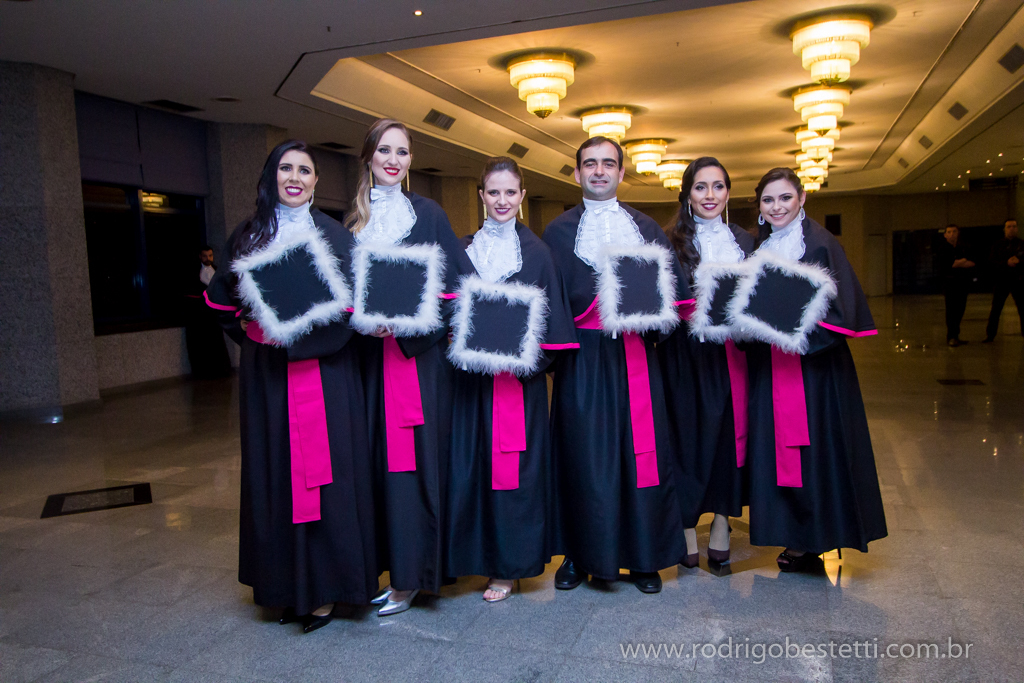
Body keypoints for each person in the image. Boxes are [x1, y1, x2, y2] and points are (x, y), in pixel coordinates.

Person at [205, 140, 379, 633]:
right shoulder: (249, 234)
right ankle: (287, 586)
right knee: (276, 475)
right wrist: (253, 332)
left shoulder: (336, 236)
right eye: (286, 168)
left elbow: (358, 308)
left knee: (330, 478)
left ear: (317, 181)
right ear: (271, 175)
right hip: (269, 379)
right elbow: (221, 301)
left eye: (305, 169)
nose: (295, 177)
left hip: (327, 376)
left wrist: (312, 336)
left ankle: (326, 588)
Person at [542, 137, 689, 594]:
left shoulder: (646, 228)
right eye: (590, 164)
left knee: (640, 458)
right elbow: (548, 302)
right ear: (576, 173)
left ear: (623, 173)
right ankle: (579, 555)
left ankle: (644, 558)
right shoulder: (557, 232)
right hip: (582, 359)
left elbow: (674, 297)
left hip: (633, 356)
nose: (600, 171)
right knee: (582, 458)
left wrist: (651, 323)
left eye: (608, 164)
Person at [347, 119, 475, 616]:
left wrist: (411, 323)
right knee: (379, 467)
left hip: (421, 365)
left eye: (402, 151)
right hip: (370, 365)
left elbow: (459, 288)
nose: (393, 160)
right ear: (369, 156)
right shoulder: (351, 220)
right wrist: (364, 322)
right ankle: (392, 570)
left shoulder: (431, 214)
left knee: (418, 467)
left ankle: (414, 575)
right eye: (385, 150)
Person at [444, 157, 578, 602]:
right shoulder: (462, 251)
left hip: (517, 390)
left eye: (510, 192)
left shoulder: (539, 254)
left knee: (515, 474)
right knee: (470, 470)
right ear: (481, 195)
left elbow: (553, 329)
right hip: (470, 385)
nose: (502, 200)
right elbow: (448, 312)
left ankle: (508, 566)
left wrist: (518, 360)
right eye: (493, 192)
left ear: (522, 197)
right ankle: (474, 557)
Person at [745, 167, 887, 573]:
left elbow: (844, 315)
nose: (777, 207)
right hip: (772, 368)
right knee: (778, 453)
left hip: (816, 375)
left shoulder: (822, 244)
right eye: (769, 200)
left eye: (785, 198)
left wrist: (794, 332)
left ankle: (818, 534)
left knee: (817, 453)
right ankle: (794, 534)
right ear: (760, 207)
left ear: (802, 198)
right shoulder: (758, 249)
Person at [659, 157, 753, 569]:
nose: (709, 195)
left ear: (728, 193)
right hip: (683, 353)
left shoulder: (746, 243)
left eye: (717, 187)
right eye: (701, 187)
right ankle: (683, 524)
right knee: (685, 438)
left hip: (730, 353)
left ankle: (720, 520)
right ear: (688, 194)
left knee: (725, 439)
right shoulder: (668, 242)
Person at [185, 245, 231, 379]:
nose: (208, 259)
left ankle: (220, 370)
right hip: (200, 316)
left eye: (210, 256)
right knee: (201, 344)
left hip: (214, 315)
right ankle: (203, 372)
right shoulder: (194, 272)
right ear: (200, 256)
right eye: (205, 256)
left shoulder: (217, 271)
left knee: (217, 342)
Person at [983, 219, 1024, 342]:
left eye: (1014, 226)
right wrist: (1006, 263)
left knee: (1023, 308)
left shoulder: (1022, 244)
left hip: (1019, 281)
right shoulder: (998, 245)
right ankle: (990, 334)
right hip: (1002, 280)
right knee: (996, 309)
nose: (1011, 229)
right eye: (1009, 226)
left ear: (1017, 228)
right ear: (1004, 229)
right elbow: (992, 262)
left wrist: (1019, 262)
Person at [937, 224, 975, 347]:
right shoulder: (943, 249)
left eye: (954, 231)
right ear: (945, 235)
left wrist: (960, 263)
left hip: (962, 283)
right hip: (949, 284)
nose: (952, 234)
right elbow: (948, 265)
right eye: (949, 232)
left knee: (960, 309)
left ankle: (956, 335)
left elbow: (972, 262)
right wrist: (961, 262)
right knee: (951, 310)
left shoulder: (963, 247)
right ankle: (951, 336)